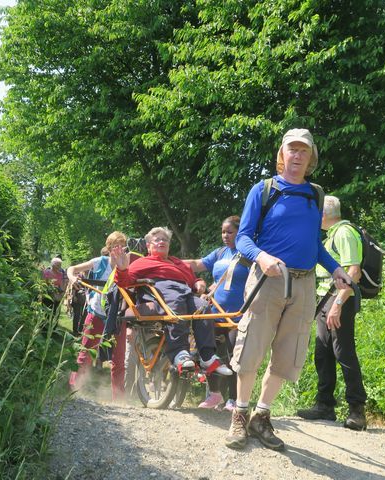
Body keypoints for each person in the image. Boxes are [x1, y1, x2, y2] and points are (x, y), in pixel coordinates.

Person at [225, 128, 353, 451]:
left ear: (311, 159)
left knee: (289, 353)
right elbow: (243, 238)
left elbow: (314, 244)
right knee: (252, 345)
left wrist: (336, 268)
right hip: (268, 279)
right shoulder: (263, 190)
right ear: (281, 155)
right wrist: (262, 256)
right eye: (291, 150)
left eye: (303, 151)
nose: (297, 156)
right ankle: (239, 415)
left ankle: (261, 415)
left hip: (305, 282)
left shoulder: (315, 195)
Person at [111, 227, 232, 377]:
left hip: (184, 292)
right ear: (148, 246)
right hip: (158, 290)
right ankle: (179, 352)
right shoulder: (142, 262)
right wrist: (122, 269)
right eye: (157, 240)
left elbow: (192, 279)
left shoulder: (178, 263)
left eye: (165, 239)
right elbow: (124, 283)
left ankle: (207, 357)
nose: (162, 241)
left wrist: (198, 282)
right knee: (175, 301)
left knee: (203, 306)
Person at [296, 195, 367, 430]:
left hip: (339, 299)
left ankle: (357, 410)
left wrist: (338, 303)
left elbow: (353, 272)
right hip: (326, 297)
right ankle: (325, 404)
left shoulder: (345, 232)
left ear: (323, 214)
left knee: (343, 351)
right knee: (323, 351)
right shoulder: (332, 235)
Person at [186, 215, 248, 411]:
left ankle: (234, 399)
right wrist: (170, 262)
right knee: (208, 353)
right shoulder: (220, 253)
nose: (225, 236)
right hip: (215, 312)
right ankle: (215, 395)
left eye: (229, 232)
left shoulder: (249, 254)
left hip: (238, 314)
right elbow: (197, 264)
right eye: (223, 232)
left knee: (233, 356)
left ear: (240, 231)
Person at [67, 232, 128, 400]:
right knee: (85, 353)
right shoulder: (98, 262)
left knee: (118, 359)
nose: (120, 249)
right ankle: (74, 390)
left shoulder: (127, 263)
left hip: (117, 317)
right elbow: (72, 269)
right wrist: (73, 278)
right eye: (116, 245)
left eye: (123, 245)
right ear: (108, 248)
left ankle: (119, 398)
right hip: (97, 314)